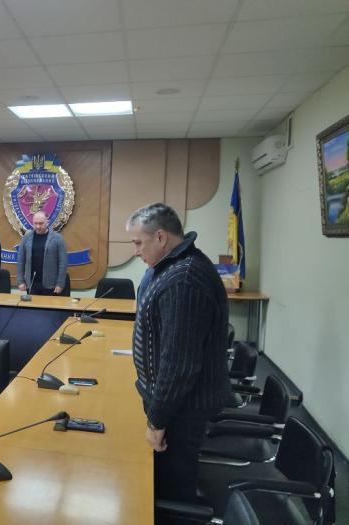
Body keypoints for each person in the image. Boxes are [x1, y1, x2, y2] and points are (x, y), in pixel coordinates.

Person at [126, 202, 230, 505]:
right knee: (163, 478)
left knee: (173, 489)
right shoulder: (167, 268)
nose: (135, 251)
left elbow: (178, 363)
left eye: (138, 243)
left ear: (160, 237)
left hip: (182, 408)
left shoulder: (184, 279)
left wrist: (157, 420)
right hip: (172, 403)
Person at [17, 211, 67, 296]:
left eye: (41, 223)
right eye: (35, 223)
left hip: (51, 285)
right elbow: (21, 260)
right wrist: (20, 281)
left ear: (47, 222)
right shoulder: (26, 237)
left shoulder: (57, 238)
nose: (38, 226)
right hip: (31, 284)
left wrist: (60, 283)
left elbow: (63, 263)